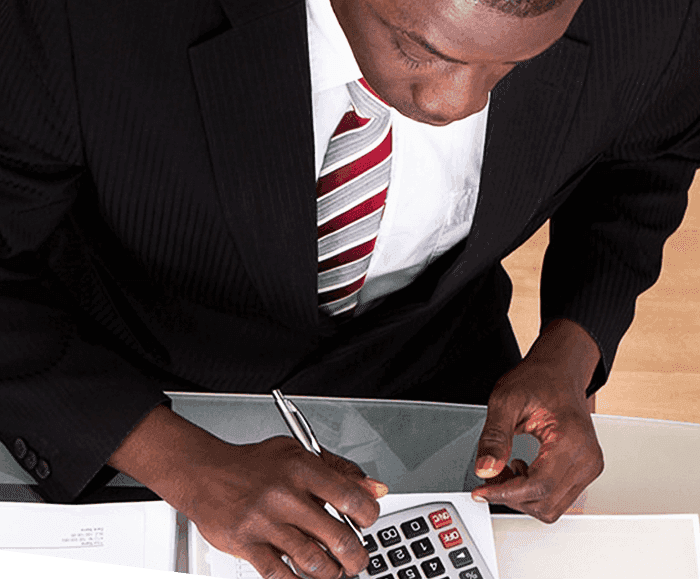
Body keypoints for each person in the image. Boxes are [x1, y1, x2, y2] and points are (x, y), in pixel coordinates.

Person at [1, 0, 698, 577]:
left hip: (434, 383)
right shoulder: (80, 20)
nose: (453, 104)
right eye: (420, 49)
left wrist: (571, 350)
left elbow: (647, 158)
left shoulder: (649, 19)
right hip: (107, 379)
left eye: (511, 66)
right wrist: (174, 458)